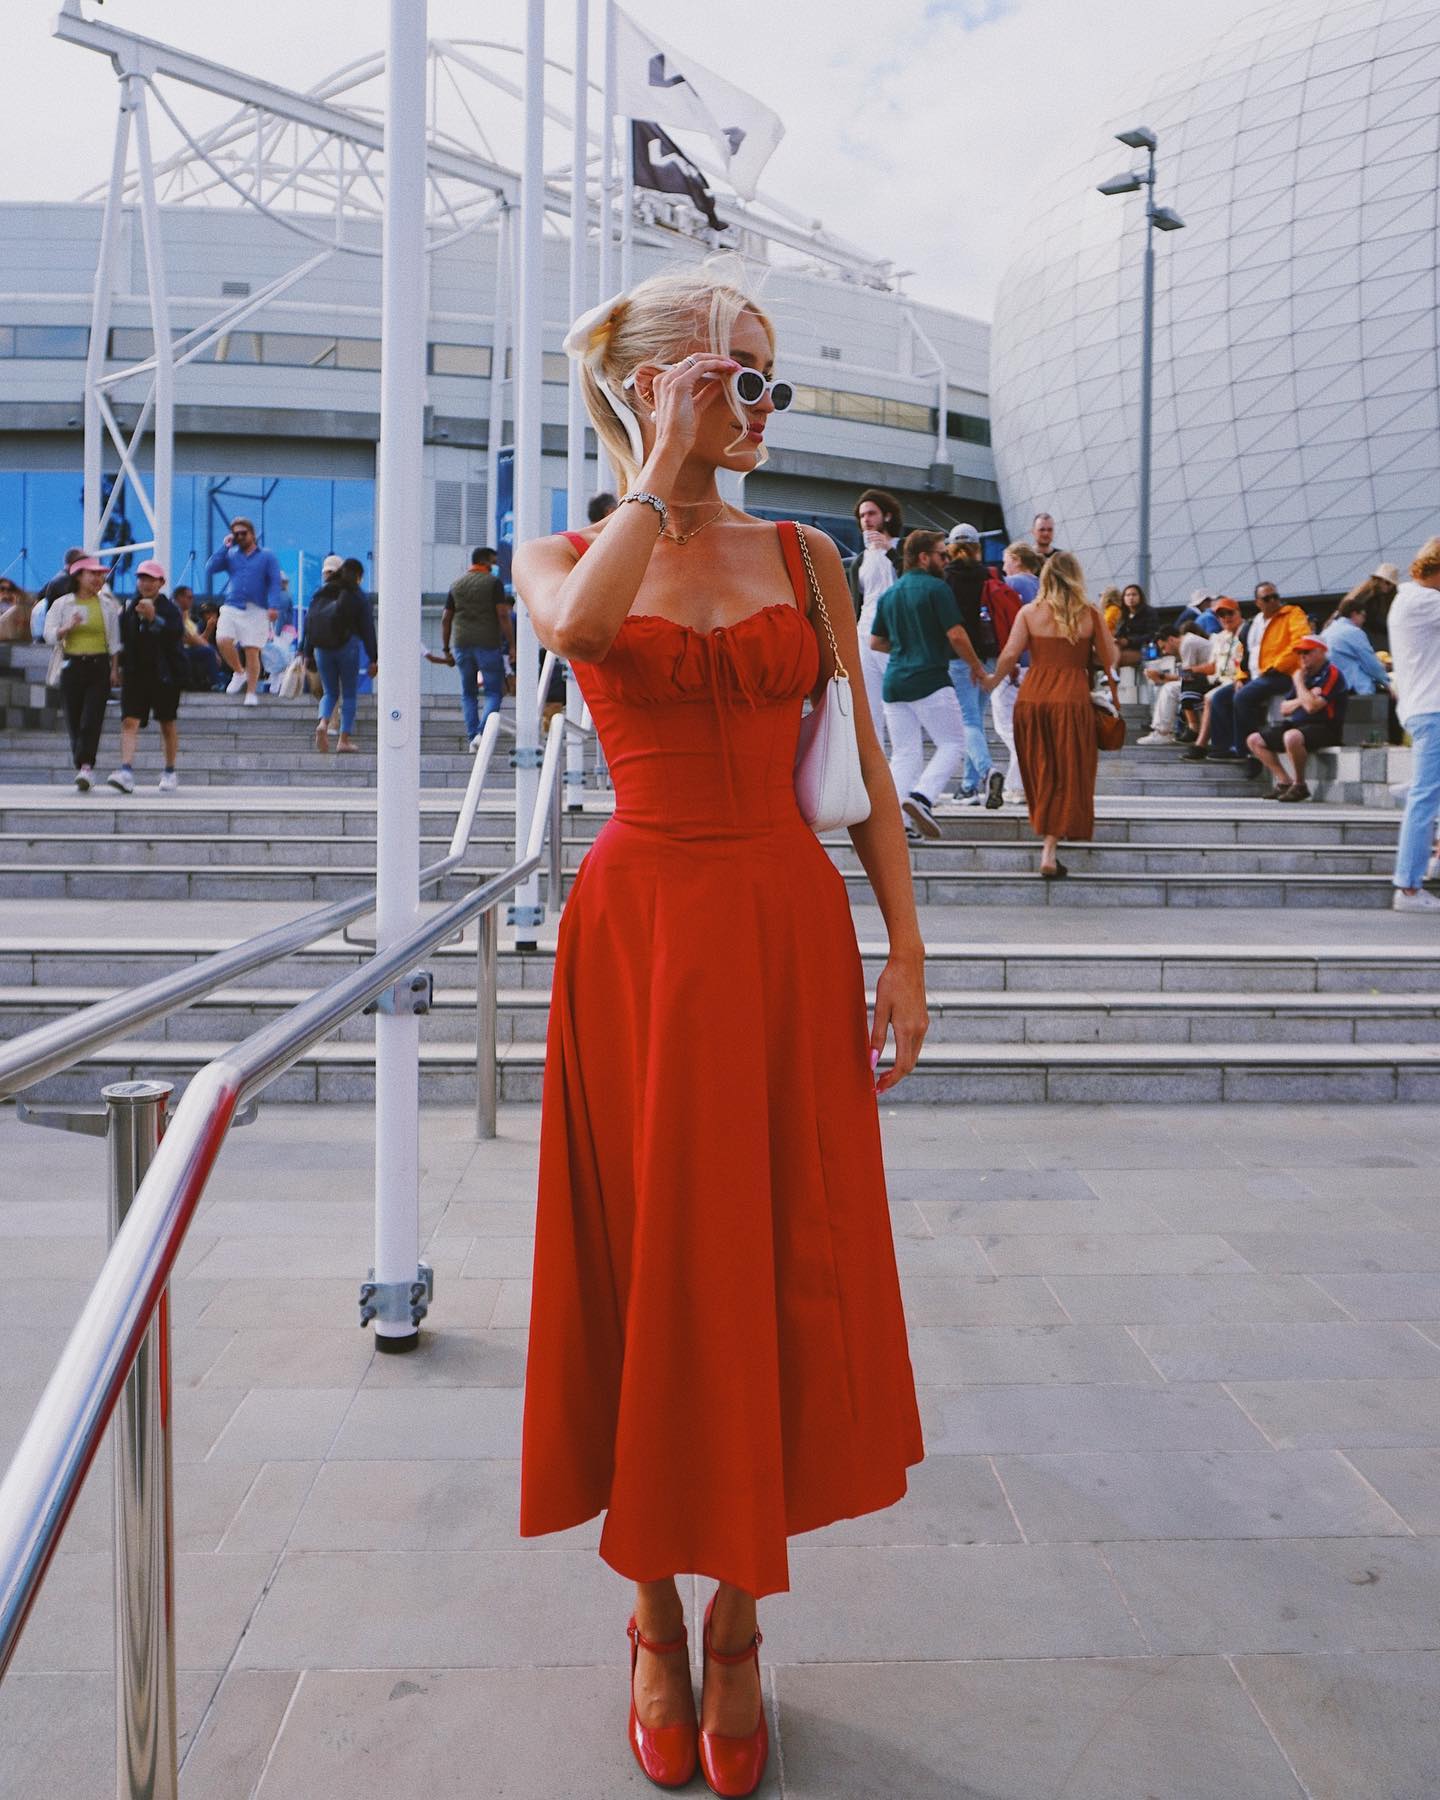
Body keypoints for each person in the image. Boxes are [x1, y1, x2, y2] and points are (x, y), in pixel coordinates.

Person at [513, 264, 925, 1797]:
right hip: (639, 940)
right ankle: (647, 1616)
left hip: (782, 929)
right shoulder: (562, 543)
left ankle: (742, 1624)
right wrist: (660, 473)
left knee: (768, 1255)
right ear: (650, 385)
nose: (757, 406)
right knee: (644, 1263)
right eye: (729, 378)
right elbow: (585, 631)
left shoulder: (811, 557)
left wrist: (908, 955)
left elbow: (867, 768)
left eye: (767, 380)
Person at [983, 550, 1118, 878]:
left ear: (1045, 577)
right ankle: (1050, 848)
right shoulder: (1089, 613)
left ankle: (1052, 827)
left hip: (1032, 698)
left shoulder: (1029, 612)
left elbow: (1010, 655)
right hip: (1071, 700)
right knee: (1069, 770)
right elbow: (1110, 657)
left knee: (1042, 769)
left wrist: (989, 683)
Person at [869, 529, 986, 839]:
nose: (946, 559)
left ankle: (897, 823)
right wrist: (977, 668)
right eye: (941, 554)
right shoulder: (937, 588)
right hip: (930, 679)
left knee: (904, 754)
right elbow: (957, 635)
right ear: (924, 557)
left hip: (894, 684)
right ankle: (922, 798)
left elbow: (876, 641)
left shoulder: (890, 594)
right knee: (953, 744)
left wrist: (906, 646)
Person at [1187, 581, 1308, 765]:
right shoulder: (1244, 628)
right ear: (1258, 602)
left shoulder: (1291, 614)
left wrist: (1276, 666)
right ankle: (1220, 746)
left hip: (1280, 674)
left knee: (1239, 697)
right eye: (1267, 598)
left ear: (1238, 613)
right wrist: (1241, 677)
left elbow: (1299, 642)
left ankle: (1244, 750)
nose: (1273, 601)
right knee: (1215, 696)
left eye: (1275, 597)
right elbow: (1243, 656)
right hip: (1250, 676)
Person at [1387, 538, 1440, 911]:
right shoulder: (1427, 602)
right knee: (1424, 798)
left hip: (1422, 709)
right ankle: (1407, 887)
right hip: (1434, 712)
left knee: (1426, 793)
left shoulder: (1407, 599)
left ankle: (1434, 860)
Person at [42, 555, 121, 791]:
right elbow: (48, 634)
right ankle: (82, 763)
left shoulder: (107, 605)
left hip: (98, 666)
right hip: (72, 666)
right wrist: (68, 627)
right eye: (93, 574)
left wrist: (115, 669)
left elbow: (115, 642)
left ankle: (86, 766)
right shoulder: (62, 604)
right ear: (78, 577)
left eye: (100, 575)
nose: (99, 579)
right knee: (74, 719)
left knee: (91, 717)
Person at [108, 560, 185, 794]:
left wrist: (154, 619)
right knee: (129, 721)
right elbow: (120, 640)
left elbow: (174, 637)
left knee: (166, 722)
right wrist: (115, 668)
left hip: (164, 675)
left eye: (151, 579)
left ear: (161, 582)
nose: (145, 583)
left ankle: (170, 771)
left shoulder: (171, 609)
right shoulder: (130, 607)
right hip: (135, 673)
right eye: (142, 578)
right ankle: (126, 771)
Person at [1244, 634, 1347, 802]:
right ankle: (1284, 781)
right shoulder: (1303, 675)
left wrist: (1299, 684)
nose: (1302, 657)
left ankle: (1299, 785)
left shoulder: (1332, 674)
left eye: (1307, 652)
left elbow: (1312, 707)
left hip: (1325, 727)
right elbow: (1284, 708)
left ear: (1321, 652)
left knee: (1291, 737)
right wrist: (1304, 697)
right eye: (1300, 653)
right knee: (1254, 740)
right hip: (1298, 725)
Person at [843, 488, 904, 750]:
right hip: (863, 635)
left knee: (896, 705)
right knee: (869, 706)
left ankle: (900, 764)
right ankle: (875, 772)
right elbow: (855, 601)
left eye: (871, 513)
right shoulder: (859, 561)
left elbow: (906, 580)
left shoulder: (902, 550)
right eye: (862, 516)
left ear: (886, 516)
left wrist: (889, 551)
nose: (866, 519)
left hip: (892, 636)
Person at [941, 523, 997, 802]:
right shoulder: (989, 575)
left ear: (950, 547)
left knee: (968, 720)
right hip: (989, 657)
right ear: (977, 547)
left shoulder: (947, 577)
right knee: (976, 720)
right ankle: (969, 786)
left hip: (959, 658)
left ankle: (987, 772)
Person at [302, 553, 377, 753]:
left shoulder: (321, 591)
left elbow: (309, 624)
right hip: (347, 647)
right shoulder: (357, 594)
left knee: (330, 692)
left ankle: (323, 724)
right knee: (350, 694)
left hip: (321, 648)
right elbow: (368, 628)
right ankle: (343, 740)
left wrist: (307, 653)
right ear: (358, 576)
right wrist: (374, 658)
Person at [205, 515, 282, 707]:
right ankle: (239, 672)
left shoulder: (267, 556)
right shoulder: (230, 554)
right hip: (232, 605)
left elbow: (274, 582)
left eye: (243, 533)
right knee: (222, 639)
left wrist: (274, 605)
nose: (240, 537)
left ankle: (251, 692)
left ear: (252, 534)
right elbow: (210, 568)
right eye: (236, 534)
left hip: (256, 609)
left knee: (251, 650)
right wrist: (225, 546)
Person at [442, 546, 513, 748]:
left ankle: (473, 735)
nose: (495, 566)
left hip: (462, 644)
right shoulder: (493, 583)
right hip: (488, 644)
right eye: (493, 562)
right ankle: (482, 733)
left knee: (468, 693)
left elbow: (446, 618)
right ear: (484, 561)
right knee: (493, 692)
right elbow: (502, 615)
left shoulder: (456, 585)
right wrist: (512, 645)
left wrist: (446, 649)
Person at [988, 540, 1041, 807]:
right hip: (1036, 665)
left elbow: (1005, 623)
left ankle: (1020, 785)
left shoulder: (1015, 585)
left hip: (1015, 664)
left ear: (1018, 560)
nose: (1004, 565)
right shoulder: (1041, 586)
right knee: (1020, 728)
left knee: (1008, 727)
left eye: (1007, 559)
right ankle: (1017, 785)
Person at [1322, 593, 1392, 697]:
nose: (1364, 620)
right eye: (1363, 616)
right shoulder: (1353, 632)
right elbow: (1370, 663)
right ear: (1354, 614)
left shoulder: (1326, 632)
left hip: (1331, 689)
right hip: (1356, 690)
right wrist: (1388, 683)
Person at [1113, 582, 1158, 666]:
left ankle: (1112, 673)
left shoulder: (1149, 612)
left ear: (1140, 597)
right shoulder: (1122, 614)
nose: (1131, 598)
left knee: (1116, 657)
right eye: (1128, 595)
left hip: (1144, 650)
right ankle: (1112, 673)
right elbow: (1119, 633)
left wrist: (1129, 641)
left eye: (1134, 595)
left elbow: (1152, 635)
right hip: (1123, 648)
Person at [0, 578, 33, 643]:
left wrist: (17, 603)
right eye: (2, 589)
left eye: (10, 589)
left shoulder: (18, 607)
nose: (5, 592)